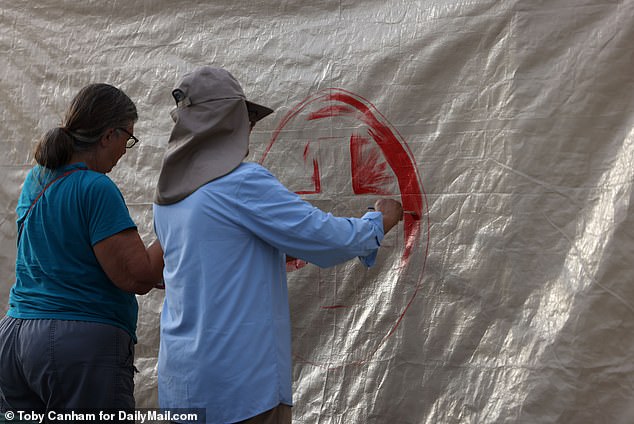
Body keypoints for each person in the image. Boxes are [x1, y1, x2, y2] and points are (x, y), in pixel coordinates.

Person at [153, 66, 403, 424]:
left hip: (182, 384)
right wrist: (378, 221)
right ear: (226, 122)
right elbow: (325, 238)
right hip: (239, 388)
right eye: (245, 117)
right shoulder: (240, 183)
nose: (250, 127)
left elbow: (219, 255)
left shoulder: (168, 196)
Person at [0, 83, 164, 412]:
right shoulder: (95, 187)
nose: (125, 150)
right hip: (75, 347)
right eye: (127, 138)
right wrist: (181, 224)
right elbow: (137, 277)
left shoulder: (36, 180)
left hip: (16, 338)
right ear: (107, 135)